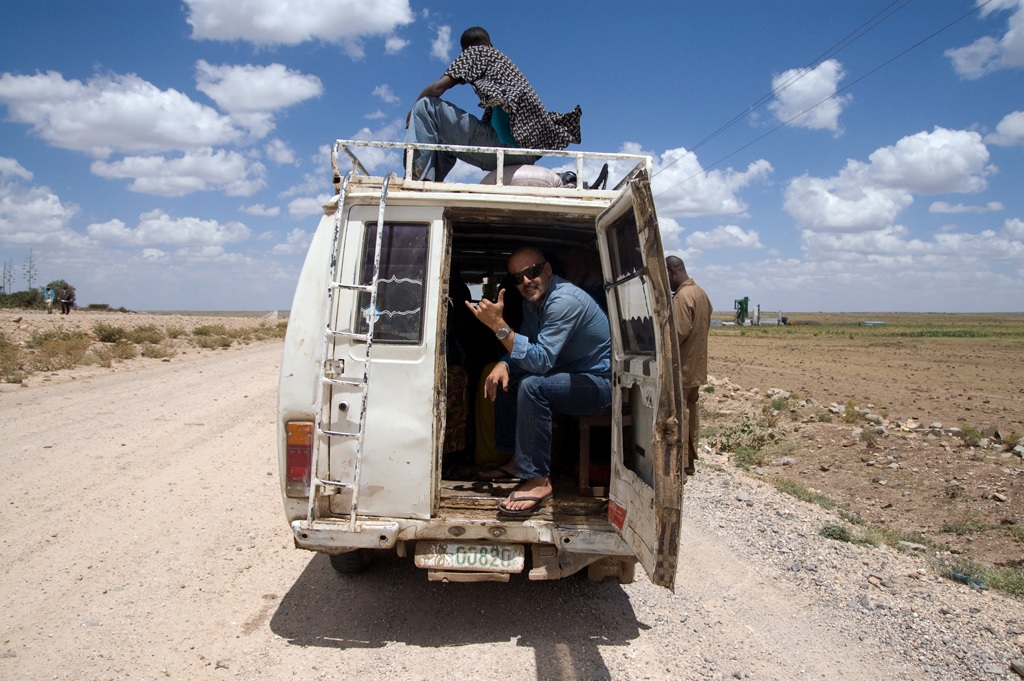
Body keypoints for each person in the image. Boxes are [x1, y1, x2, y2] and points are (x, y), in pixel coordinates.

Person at [465, 246, 611, 516]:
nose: (526, 281)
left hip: (598, 384)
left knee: (534, 385)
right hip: (569, 375)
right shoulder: (533, 304)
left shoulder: (564, 301)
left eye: (531, 272)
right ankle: (517, 460)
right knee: (506, 375)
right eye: (517, 278)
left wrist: (498, 326)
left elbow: (540, 361)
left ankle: (538, 479)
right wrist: (502, 364)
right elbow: (528, 348)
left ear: (547, 270)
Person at [406, 26, 582, 182]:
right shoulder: (504, 67)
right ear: (491, 43)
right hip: (523, 154)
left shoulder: (479, 52)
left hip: (505, 149)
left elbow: (437, 88)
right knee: (443, 140)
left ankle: (418, 179)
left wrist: (414, 108)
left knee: (426, 106)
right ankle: (431, 182)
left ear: (465, 50)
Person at [666, 256, 712, 476]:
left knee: (681, 413)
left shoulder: (682, 297)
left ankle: (682, 464)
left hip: (683, 369)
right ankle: (690, 461)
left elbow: (677, 334)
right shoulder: (700, 293)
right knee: (691, 413)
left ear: (672, 272)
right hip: (696, 367)